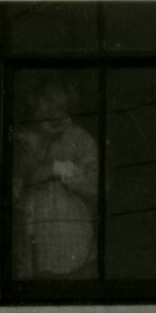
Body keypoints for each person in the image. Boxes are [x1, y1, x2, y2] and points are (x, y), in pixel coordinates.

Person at [11, 76, 99, 281]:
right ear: (35, 99)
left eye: (59, 106)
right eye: (47, 101)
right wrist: (43, 145)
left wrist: (58, 168)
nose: (52, 110)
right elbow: (16, 185)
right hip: (32, 239)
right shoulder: (21, 139)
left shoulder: (79, 138)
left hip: (71, 240)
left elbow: (96, 184)